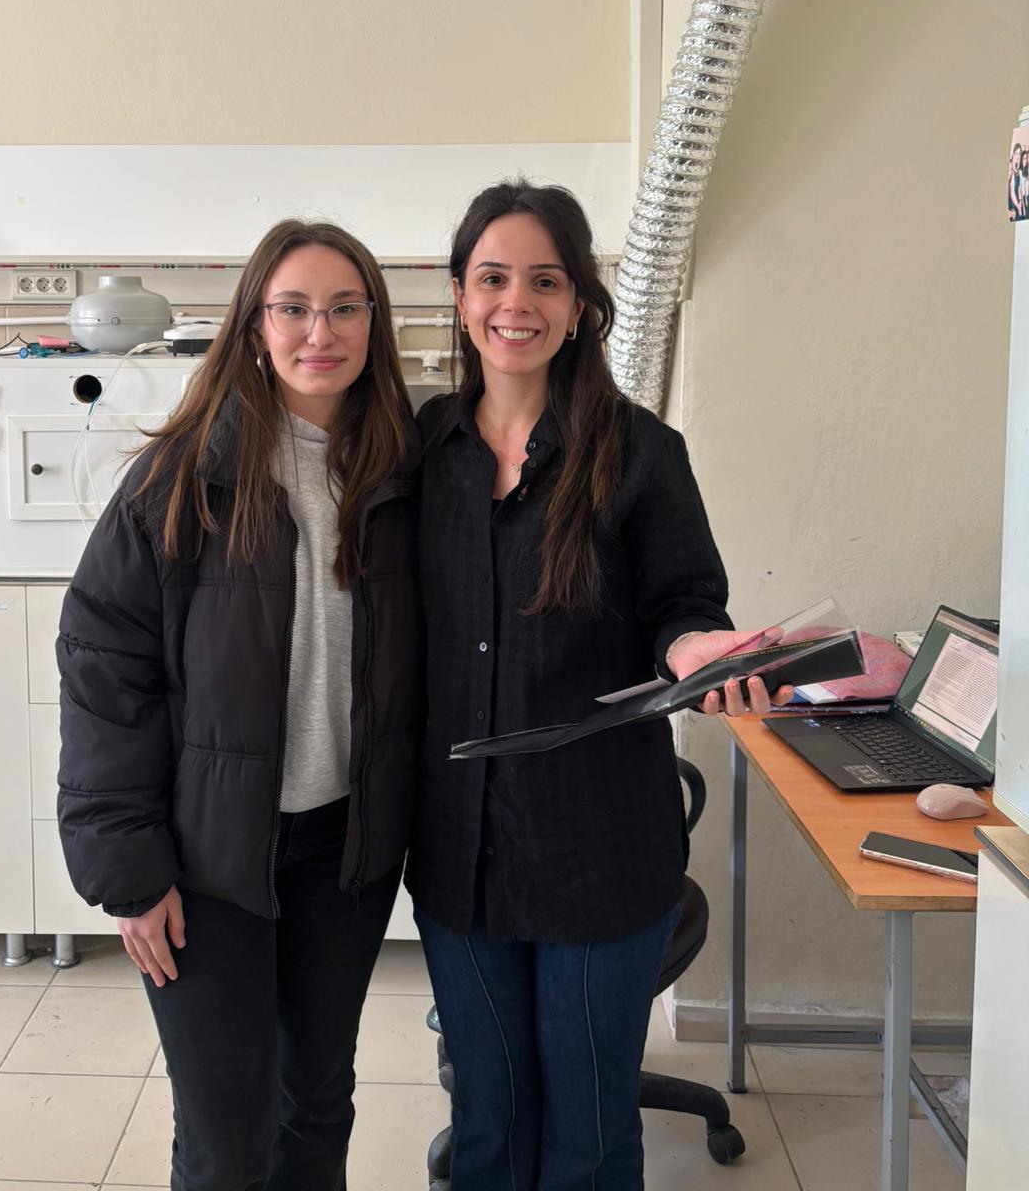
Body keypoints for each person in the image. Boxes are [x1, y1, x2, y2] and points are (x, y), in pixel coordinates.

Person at [408, 180, 792, 1191]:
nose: (516, 303)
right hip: (456, 847)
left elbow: (685, 606)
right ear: (461, 296)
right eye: (493, 278)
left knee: (587, 1133)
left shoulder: (640, 455)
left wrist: (696, 651)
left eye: (545, 280)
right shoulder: (418, 452)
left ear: (580, 304)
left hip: (601, 848)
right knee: (487, 1121)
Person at [56, 220, 422, 1191]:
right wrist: (130, 874)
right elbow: (104, 675)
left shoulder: (402, 472)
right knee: (227, 1138)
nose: (320, 332)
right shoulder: (181, 479)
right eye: (293, 307)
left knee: (319, 1105)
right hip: (207, 856)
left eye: (346, 307)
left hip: (345, 852)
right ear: (254, 324)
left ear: (375, 323)